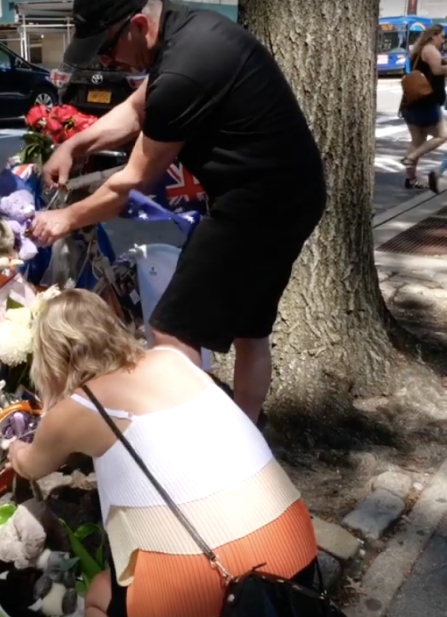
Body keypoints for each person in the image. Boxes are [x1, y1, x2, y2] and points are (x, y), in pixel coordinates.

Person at [30, 0, 326, 425]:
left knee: (173, 329)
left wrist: (64, 218)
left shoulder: (184, 71)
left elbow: (132, 183)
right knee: (250, 330)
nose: (105, 60)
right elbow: (135, 108)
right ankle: (244, 439)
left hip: (260, 204)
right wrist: (74, 145)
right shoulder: (187, 31)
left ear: (136, 25)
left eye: (107, 48)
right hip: (288, 192)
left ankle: (189, 444)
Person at [7, 289, 318, 617]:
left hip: (210, 585)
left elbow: (31, 466)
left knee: (99, 595)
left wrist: (14, 447)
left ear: (51, 356)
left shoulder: (75, 409)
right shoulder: (172, 359)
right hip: (295, 551)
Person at [399, 25, 447, 190]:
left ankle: (411, 179)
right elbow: (437, 70)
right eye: (442, 36)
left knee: (417, 140)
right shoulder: (430, 49)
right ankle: (411, 157)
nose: (443, 40)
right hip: (427, 101)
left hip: (411, 101)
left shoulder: (418, 51)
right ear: (434, 35)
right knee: (442, 135)